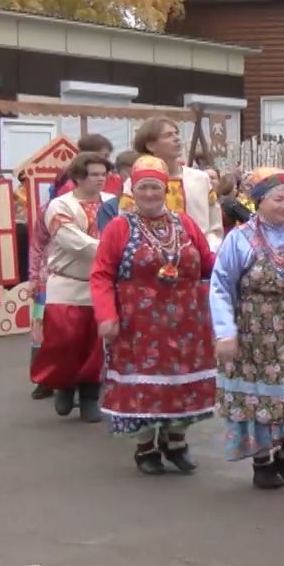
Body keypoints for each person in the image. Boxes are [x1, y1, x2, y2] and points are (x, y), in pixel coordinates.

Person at [92, 156, 218, 475]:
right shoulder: (120, 227)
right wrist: (106, 314)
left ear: (166, 189)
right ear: (133, 190)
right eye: (143, 187)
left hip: (188, 321)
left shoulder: (184, 223)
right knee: (145, 387)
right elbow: (102, 275)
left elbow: (208, 263)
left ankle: (176, 442)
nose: (150, 194)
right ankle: (145, 447)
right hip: (139, 323)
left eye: (155, 187)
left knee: (181, 382)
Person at [210, 167, 284, 489]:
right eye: (278, 199)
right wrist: (225, 332)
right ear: (259, 201)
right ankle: (262, 462)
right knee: (259, 398)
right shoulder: (240, 239)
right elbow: (220, 286)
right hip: (255, 331)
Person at [31, 153, 110, 420]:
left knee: (96, 346)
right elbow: (73, 242)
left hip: (102, 287)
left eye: (103, 174)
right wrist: (116, 250)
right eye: (94, 174)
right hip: (68, 284)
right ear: (78, 177)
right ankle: (64, 385)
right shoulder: (60, 205)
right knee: (65, 341)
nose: (101, 179)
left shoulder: (112, 204)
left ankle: (90, 397)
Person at [123, 118, 223, 251]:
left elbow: (215, 227)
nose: (176, 138)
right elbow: (126, 226)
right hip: (150, 259)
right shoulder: (135, 184)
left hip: (200, 257)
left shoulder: (201, 179)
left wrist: (209, 249)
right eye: (168, 135)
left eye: (176, 133)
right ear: (150, 145)